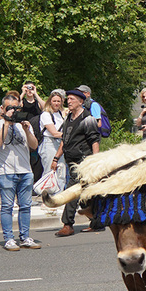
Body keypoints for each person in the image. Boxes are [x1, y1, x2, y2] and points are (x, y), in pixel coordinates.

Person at [0, 92, 40, 251]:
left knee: (25, 206)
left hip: (25, 170)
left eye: (16, 108)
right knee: (7, 207)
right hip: (6, 172)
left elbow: (34, 145)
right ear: (2, 109)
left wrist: (26, 130)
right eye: (9, 108)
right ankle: (9, 239)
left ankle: (25, 237)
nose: (13, 111)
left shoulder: (24, 124)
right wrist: (7, 122)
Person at [54, 89, 101, 237]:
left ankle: (67, 224)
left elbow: (95, 140)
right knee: (85, 193)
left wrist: (95, 161)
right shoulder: (69, 118)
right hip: (70, 160)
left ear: (81, 101)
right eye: (68, 99)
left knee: (71, 191)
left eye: (72, 99)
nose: (68, 101)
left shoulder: (88, 118)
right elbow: (64, 140)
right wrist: (56, 158)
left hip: (83, 162)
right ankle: (96, 220)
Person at [38, 90, 67, 208]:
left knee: (61, 170)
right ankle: (46, 199)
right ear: (50, 101)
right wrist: (70, 135)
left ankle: (58, 198)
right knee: (49, 171)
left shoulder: (61, 114)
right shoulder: (46, 114)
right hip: (49, 142)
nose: (56, 103)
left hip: (60, 143)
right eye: (54, 101)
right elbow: (54, 132)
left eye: (58, 101)